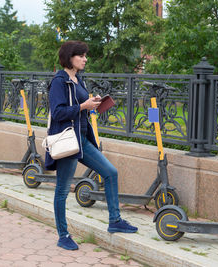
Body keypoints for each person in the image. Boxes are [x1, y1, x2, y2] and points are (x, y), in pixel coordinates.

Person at [46, 40, 137, 251]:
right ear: (70, 57)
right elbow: (58, 112)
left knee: (110, 172)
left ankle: (115, 221)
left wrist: (92, 104)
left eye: (86, 56)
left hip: (83, 139)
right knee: (62, 191)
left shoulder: (78, 80)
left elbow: (78, 108)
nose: (85, 59)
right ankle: (63, 235)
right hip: (68, 140)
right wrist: (82, 106)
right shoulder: (59, 81)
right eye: (82, 55)